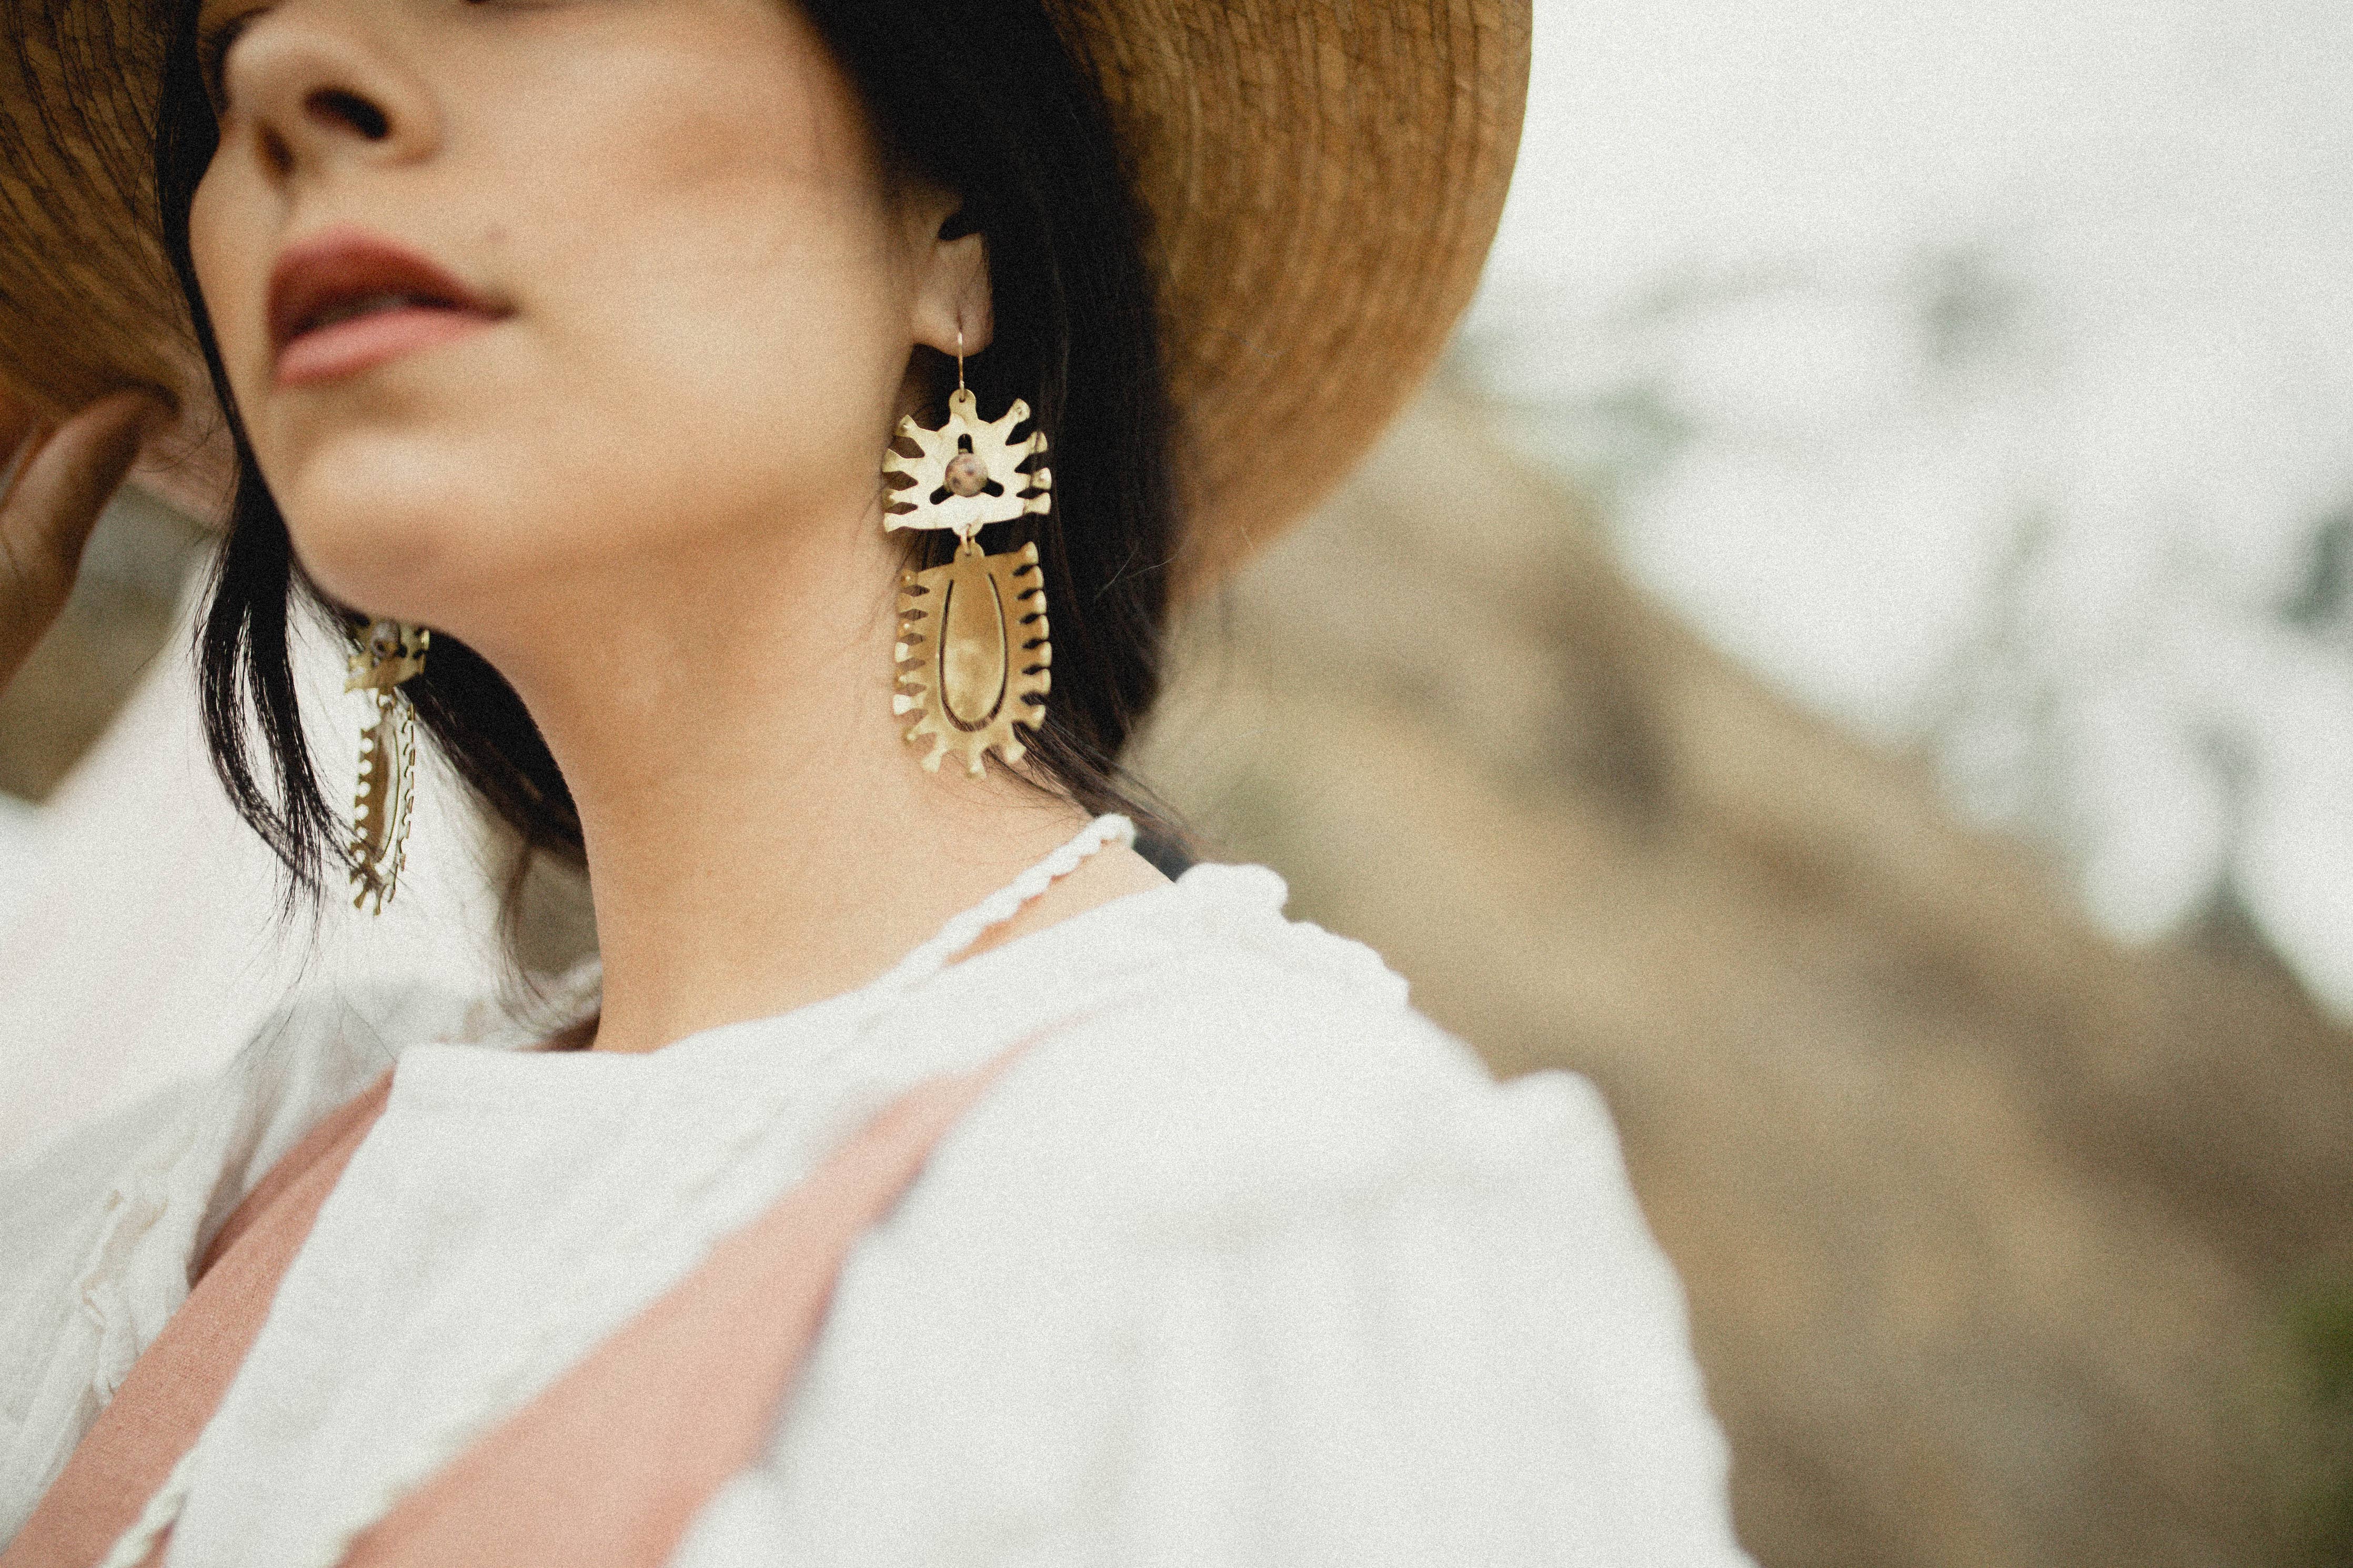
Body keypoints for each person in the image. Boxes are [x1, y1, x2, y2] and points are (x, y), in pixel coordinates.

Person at [0, 0, 1754, 1562]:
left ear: (960, 224)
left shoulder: (1260, 1230)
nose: (292, 73)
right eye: (221, 59)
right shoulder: (200, 1205)